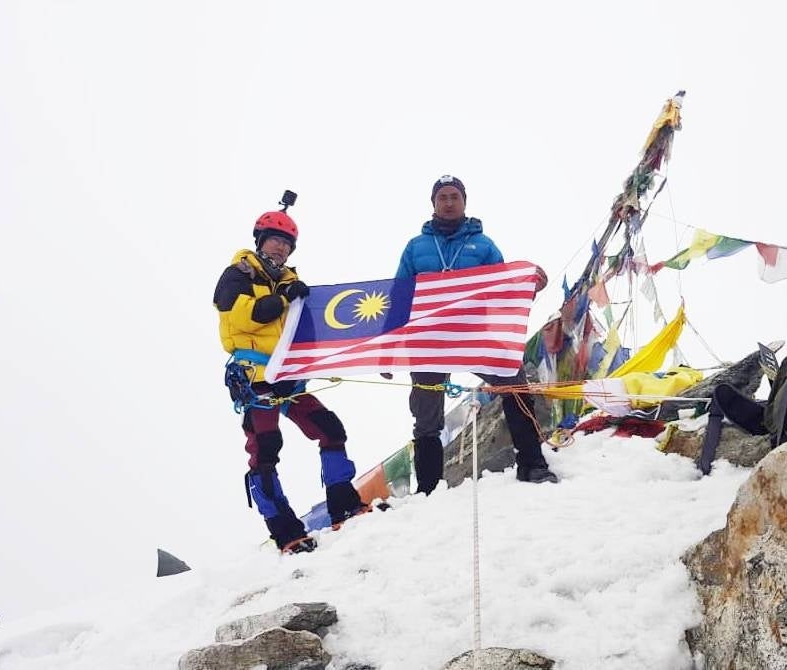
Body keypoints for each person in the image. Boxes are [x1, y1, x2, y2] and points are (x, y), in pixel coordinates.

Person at [214, 203, 368, 553]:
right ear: (260, 241)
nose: (280, 248)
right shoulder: (237, 275)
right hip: (256, 380)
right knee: (265, 451)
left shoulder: (291, 284)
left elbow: (308, 331)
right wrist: (283, 298)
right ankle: (285, 532)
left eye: (286, 243)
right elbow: (244, 317)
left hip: (289, 378)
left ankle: (343, 503)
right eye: (274, 241)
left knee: (330, 428)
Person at [395, 175, 559, 494]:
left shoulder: (484, 245)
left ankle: (532, 464)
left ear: (464, 202)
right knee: (426, 415)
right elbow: (400, 297)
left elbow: (504, 293)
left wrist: (528, 286)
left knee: (514, 385)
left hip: (475, 335)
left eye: (454, 196)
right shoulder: (415, 247)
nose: (448, 201)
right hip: (428, 340)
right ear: (433, 204)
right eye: (442, 197)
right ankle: (428, 490)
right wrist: (388, 349)